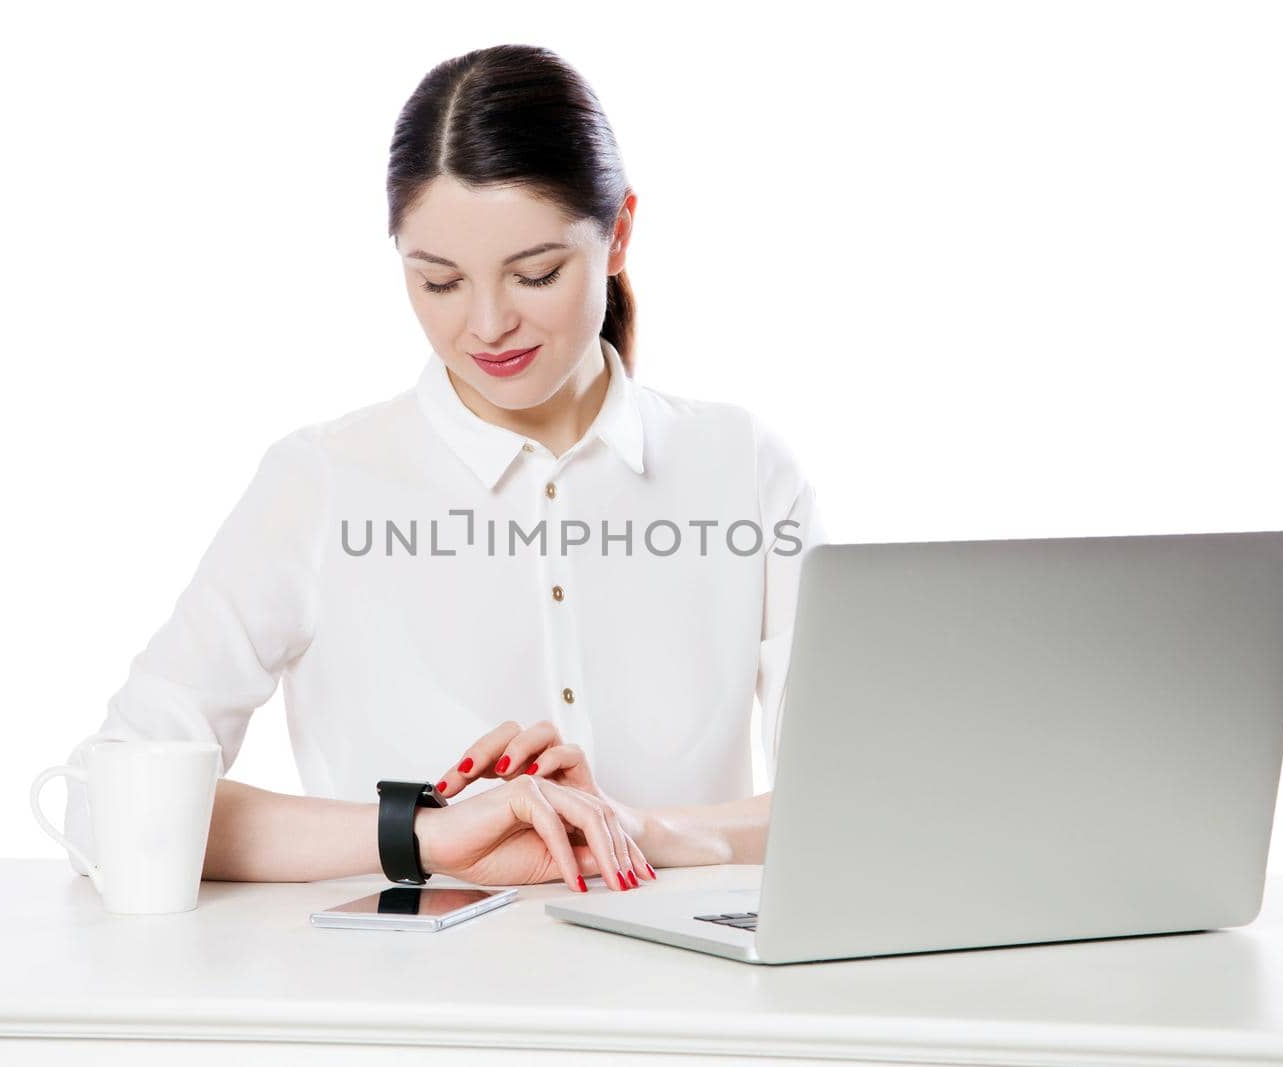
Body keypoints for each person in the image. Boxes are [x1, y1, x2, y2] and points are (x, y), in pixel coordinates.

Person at [59, 43, 827, 894]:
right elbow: (106, 800)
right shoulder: (324, 482)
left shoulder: (743, 469)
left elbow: (854, 804)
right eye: (440, 281)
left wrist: (638, 830)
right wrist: (428, 835)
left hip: (691, 1012)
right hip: (413, 1011)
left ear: (619, 234)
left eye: (535, 273)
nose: (488, 323)